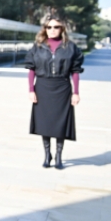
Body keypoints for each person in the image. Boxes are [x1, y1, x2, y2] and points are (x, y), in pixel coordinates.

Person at [25, 15, 84, 169]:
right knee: (44, 123)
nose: (52, 30)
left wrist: (76, 92)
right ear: (45, 29)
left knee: (60, 123)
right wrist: (31, 90)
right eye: (49, 27)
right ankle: (47, 155)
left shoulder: (70, 47)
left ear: (62, 29)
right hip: (42, 87)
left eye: (56, 27)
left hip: (62, 88)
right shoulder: (38, 46)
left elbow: (75, 71)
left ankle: (58, 155)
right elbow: (31, 70)